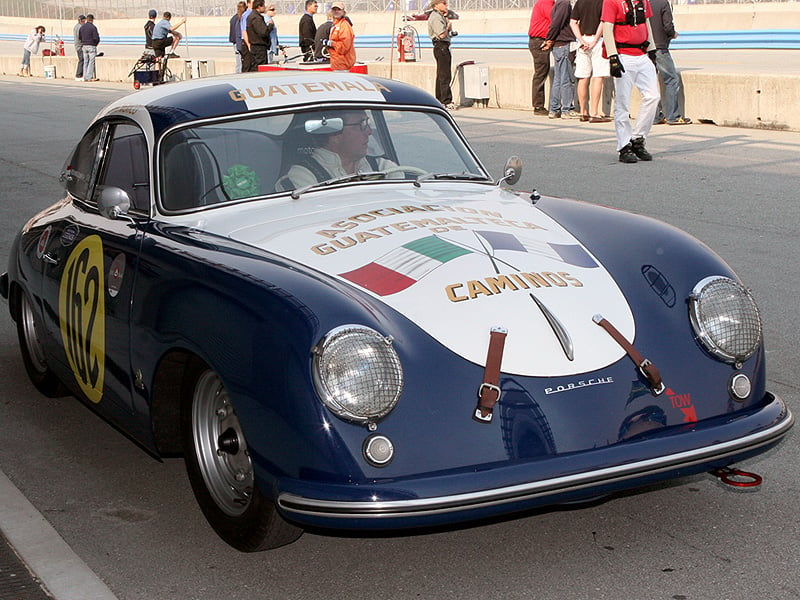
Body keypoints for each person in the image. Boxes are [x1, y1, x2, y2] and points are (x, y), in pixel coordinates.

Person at [276, 110, 398, 192]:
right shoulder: (302, 177)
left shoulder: (383, 168)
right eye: (362, 124)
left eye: (367, 123)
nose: (369, 132)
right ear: (334, 134)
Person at [602, 0, 660, 163]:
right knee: (622, 103)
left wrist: (652, 51)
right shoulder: (612, 2)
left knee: (653, 96)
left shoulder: (643, 1)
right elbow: (607, 28)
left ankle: (638, 138)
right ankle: (624, 145)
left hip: (641, 54)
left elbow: (646, 23)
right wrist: (613, 57)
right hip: (623, 55)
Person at [649, 0, 691, 125]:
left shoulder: (644, 3)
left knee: (651, 81)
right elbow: (667, 26)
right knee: (671, 79)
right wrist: (673, 34)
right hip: (660, 47)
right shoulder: (663, 3)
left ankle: (655, 115)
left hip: (646, 47)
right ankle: (673, 115)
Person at [570, 0, 611, 122]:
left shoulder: (580, 2)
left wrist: (581, 40)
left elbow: (573, 22)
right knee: (598, 76)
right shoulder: (603, 2)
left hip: (583, 40)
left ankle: (583, 111)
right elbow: (603, 22)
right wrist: (594, 40)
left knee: (583, 77)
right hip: (597, 41)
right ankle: (594, 112)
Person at [542, 0, 578, 119]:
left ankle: (554, 108)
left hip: (558, 45)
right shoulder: (564, 4)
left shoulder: (558, 4)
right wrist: (549, 38)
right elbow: (556, 24)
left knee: (558, 78)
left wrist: (550, 39)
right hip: (563, 44)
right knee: (566, 77)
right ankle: (566, 109)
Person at [528, 0, 553, 116]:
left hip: (537, 41)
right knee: (541, 73)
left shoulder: (543, 3)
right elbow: (555, 20)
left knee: (541, 72)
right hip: (539, 42)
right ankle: (538, 106)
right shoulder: (546, 3)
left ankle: (538, 104)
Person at [428, 0, 455, 109]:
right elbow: (442, 34)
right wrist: (448, 26)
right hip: (441, 47)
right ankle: (446, 100)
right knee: (445, 75)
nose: (446, 5)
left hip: (442, 47)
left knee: (441, 74)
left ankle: (440, 99)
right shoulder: (436, 17)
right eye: (443, 3)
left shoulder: (440, 16)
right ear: (436, 5)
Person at [327, 2, 356, 71]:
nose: (336, 11)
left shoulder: (344, 26)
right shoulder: (336, 25)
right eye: (334, 10)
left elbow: (344, 47)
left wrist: (331, 44)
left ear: (343, 12)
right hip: (336, 63)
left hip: (343, 64)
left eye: (338, 9)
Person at [246, 0, 273, 69]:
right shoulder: (256, 18)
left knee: (256, 67)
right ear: (259, 7)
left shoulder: (251, 16)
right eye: (263, 6)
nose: (264, 8)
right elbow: (263, 32)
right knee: (261, 67)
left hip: (255, 47)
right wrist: (270, 26)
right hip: (259, 48)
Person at [79, 15, 100, 82]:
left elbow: (80, 37)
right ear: (92, 20)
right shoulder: (93, 28)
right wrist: (95, 44)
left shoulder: (82, 27)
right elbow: (96, 38)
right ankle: (89, 77)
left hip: (84, 46)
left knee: (85, 61)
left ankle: (85, 76)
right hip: (91, 46)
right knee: (91, 61)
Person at [229, 1, 246, 73]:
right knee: (242, 63)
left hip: (235, 42)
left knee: (238, 62)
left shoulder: (233, 18)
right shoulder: (241, 18)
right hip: (240, 42)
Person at [240, 0, 253, 72]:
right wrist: (249, 45)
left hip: (252, 42)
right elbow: (244, 31)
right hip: (247, 42)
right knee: (247, 65)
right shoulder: (247, 15)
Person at [73, 16, 86, 81]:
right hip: (80, 46)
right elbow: (80, 37)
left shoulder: (76, 26)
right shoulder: (80, 27)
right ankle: (78, 75)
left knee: (82, 60)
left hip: (77, 45)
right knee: (82, 60)